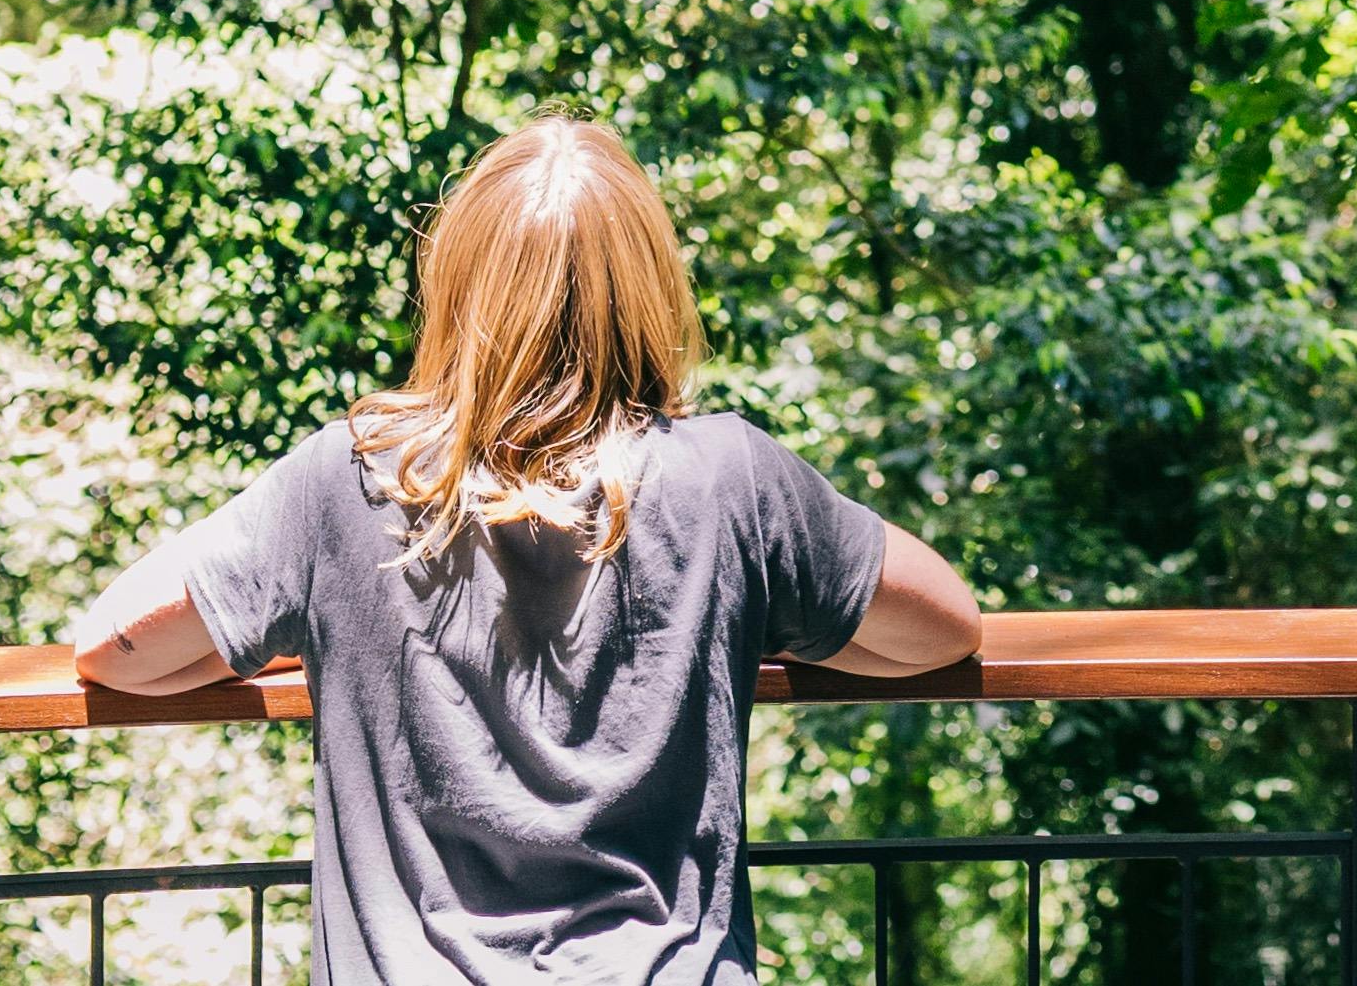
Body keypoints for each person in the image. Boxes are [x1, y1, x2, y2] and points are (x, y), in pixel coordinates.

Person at [67, 118, 986, 986]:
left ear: (460, 284)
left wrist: (318, 626)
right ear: (649, 285)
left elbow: (119, 649)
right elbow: (941, 629)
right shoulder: (731, 480)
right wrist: (767, 615)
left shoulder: (344, 480)